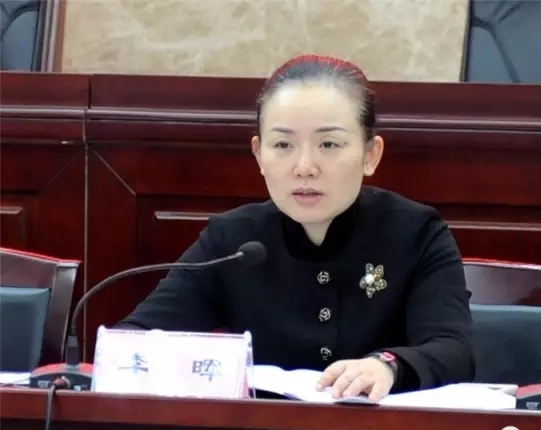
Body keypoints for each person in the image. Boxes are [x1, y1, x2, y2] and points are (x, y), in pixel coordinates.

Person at [115, 54, 475, 401]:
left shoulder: (416, 233)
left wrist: (387, 367)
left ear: (370, 155)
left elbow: (454, 350)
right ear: (259, 155)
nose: (304, 167)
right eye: (283, 144)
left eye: (328, 144)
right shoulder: (233, 240)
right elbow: (135, 339)